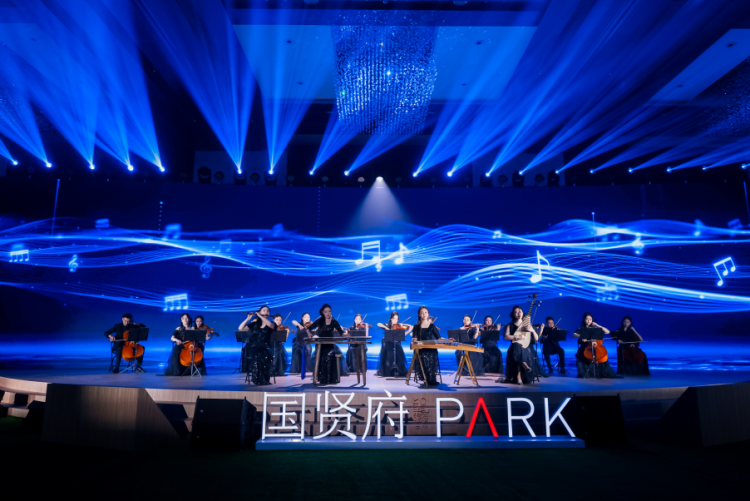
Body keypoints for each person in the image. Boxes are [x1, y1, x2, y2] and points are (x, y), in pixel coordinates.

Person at [411, 306, 452, 386]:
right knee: (423, 357)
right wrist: (414, 340)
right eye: (422, 313)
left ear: (428, 314)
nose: (424, 314)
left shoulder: (432, 326)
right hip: (421, 349)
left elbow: (439, 338)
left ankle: (431, 379)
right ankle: (426, 378)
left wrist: (447, 340)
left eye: (425, 312)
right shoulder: (416, 326)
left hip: (431, 348)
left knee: (432, 355)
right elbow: (414, 338)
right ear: (419, 315)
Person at [309, 304, 349, 385]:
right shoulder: (319, 321)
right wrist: (311, 335)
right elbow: (308, 329)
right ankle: (324, 378)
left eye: (329, 311)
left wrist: (345, 334)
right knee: (324, 354)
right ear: (322, 312)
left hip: (330, 344)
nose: (328, 313)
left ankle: (329, 378)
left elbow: (341, 332)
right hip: (320, 345)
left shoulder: (334, 322)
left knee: (329, 353)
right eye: (326, 312)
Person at [573, 312, 620, 379]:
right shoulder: (581, 329)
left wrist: (597, 325)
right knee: (581, 355)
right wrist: (582, 336)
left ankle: (601, 372)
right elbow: (574, 335)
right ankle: (587, 373)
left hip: (596, 346)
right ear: (584, 319)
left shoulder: (596, 328)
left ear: (592, 320)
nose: (588, 320)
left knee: (600, 355)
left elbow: (607, 332)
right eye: (587, 319)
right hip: (585, 347)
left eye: (590, 319)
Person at [501, 306, 539, 385]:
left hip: (525, 348)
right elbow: (506, 336)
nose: (518, 314)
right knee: (516, 345)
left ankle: (519, 376)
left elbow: (536, 339)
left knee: (518, 349)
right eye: (516, 312)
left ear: (522, 313)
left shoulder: (527, 325)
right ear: (513, 314)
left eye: (520, 312)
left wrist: (532, 330)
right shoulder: (510, 325)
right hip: (514, 348)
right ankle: (524, 367)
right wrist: (517, 337)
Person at [238, 307, 276, 385]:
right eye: (264, 310)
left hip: (266, 347)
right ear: (259, 312)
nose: (266, 312)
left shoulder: (271, 323)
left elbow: (271, 326)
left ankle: (264, 379)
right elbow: (240, 328)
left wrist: (261, 316)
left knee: (265, 359)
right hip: (255, 347)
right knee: (257, 355)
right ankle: (257, 380)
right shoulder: (254, 324)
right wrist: (248, 319)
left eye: (267, 311)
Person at [376, 311, 411, 377]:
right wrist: (386, 328)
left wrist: (409, 330)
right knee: (389, 350)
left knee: (399, 350)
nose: (395, 320)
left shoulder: (399, 326)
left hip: (396, 344)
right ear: (391, 318)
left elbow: (402, 335)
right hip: (388, 345)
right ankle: (389, 370)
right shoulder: (387, 325)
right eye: (394, 318)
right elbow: (378, 324)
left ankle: (397, 370)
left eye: (397, 319)